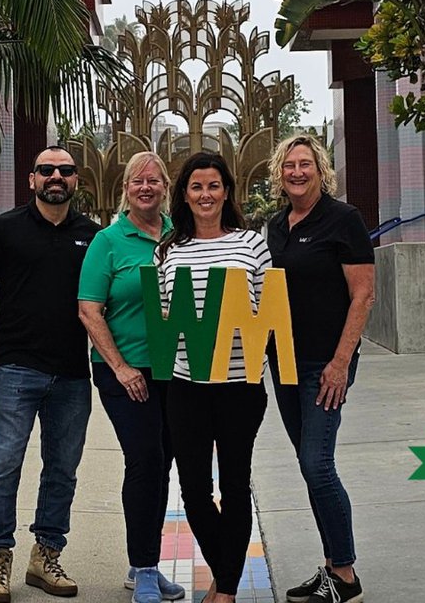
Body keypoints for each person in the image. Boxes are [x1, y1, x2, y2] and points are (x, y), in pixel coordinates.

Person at [0, 146, 99, 603]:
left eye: (65, 170)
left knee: (63, 469)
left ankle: (46, 556)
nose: (56, 177)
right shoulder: (3, 229)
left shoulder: (92, 236)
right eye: (47, 170)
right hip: (15, 368)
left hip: (73, 373)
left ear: (76, 179)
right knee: (3, 466)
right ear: (32, 179)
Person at [266, 135, 376, 603]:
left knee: (318, 464)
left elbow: (363, 295)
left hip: (324, 365)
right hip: (284, 362)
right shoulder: (276, 225)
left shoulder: (343, 219)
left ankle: (345, 577)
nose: (297, 172)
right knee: (309, 466)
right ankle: (333, 567)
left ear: (320, 170)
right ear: (279, 173)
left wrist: (340, 363)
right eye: (289, 165)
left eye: (305, 164)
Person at [157, 152, 271, 603]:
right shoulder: (168, 250)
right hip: (186, 386)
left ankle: (224, 591)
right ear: (184, 195)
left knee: (236, 485)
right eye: (197, 187)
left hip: (240, 387)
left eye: (214, 186)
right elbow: (165, 315)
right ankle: (227, 578)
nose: (206, 194)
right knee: (193, 491)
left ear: (227, 192)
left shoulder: (252, 244)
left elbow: (266, 311)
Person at [77, 152, 185, 603]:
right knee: (145, 459)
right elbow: (89, 310)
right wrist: (121, 368)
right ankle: (143, 568)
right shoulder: (108, 241)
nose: (146, 187)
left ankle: (146, 562)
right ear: (126, 189)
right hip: (123, 371)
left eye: (154, 181)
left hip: (175, 370)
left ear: (165, 188)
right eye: (137, 181)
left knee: (163, 464)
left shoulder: (182, 237)